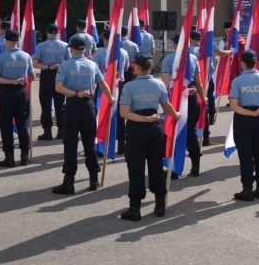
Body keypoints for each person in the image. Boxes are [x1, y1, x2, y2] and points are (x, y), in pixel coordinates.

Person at [118, 55, 178, 220]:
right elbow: (166, 105)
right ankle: (160, 206)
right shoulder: (159, 84)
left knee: (136, 168)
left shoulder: (130, 86)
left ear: (136, 67)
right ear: (150, 67)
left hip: (137, 128)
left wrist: (144, 119)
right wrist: (176, 115)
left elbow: (124, 113)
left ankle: (135, 209)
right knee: (156, 166)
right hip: (155, 127)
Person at [53, 35, 113, 192]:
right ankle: (94, 179)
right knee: (89, 143)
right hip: (88, 106)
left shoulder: (65, 66)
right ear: (85, 49)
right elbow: (102, 83)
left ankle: (69, 182)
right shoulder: (92, 65)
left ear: (72, 50)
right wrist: (110, 98)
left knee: (70, 144)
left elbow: (58, 87)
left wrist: (75, 93)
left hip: (73, 106)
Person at [228, 50, 259, 201]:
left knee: (245, 156)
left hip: (243, 119)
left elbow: (234, 106)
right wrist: (258, 107)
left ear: (243, 64)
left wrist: (250, 113)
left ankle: (247, 189)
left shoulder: (237, 81)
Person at [161, 32, 206, 176]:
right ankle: (195, 165)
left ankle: (174, 168)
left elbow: (165, 84)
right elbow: (198, 82)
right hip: (191, 97)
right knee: (190, 132)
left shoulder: (168, 59)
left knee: (173, 132)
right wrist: (203, 97)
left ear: (175, 44)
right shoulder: (193, 58)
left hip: (175, 99)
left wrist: (163, 102)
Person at [0, 30, 35, 168]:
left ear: (6, 41)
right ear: (17, 41)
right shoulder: (26, 56)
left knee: (6, 125)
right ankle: (24, 156)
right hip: (21, 92)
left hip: (6, 92)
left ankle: (9, 157)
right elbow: (32, 76)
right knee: (22, 124)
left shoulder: (1, 58)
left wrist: (11, 81)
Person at [32, 22, 69, 141]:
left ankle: (47, 131)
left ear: (47, 33)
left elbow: (34, 63)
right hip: (60, 75)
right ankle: (61, 130)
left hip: (47, 75)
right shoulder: (65, 45)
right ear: (57, 33)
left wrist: (48, 67)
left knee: (46, 104)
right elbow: (69, 62)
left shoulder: (41, 46)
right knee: (60, 104)